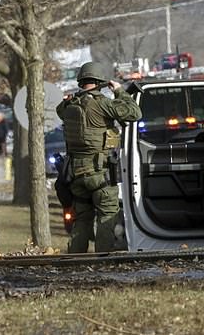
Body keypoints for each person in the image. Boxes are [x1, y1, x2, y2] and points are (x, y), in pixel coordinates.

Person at [56, 62, 141, 253]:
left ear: (81, 82)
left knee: (82, 219)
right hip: (100, 173)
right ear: (99, 81)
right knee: (107, 215)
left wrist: (68, 99)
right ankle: (102, 260)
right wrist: (119, 91)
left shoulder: (69, 107)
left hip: (76, 173)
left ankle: (75, 262)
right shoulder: (103, 103)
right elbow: (135, 113)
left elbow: (59, 110)